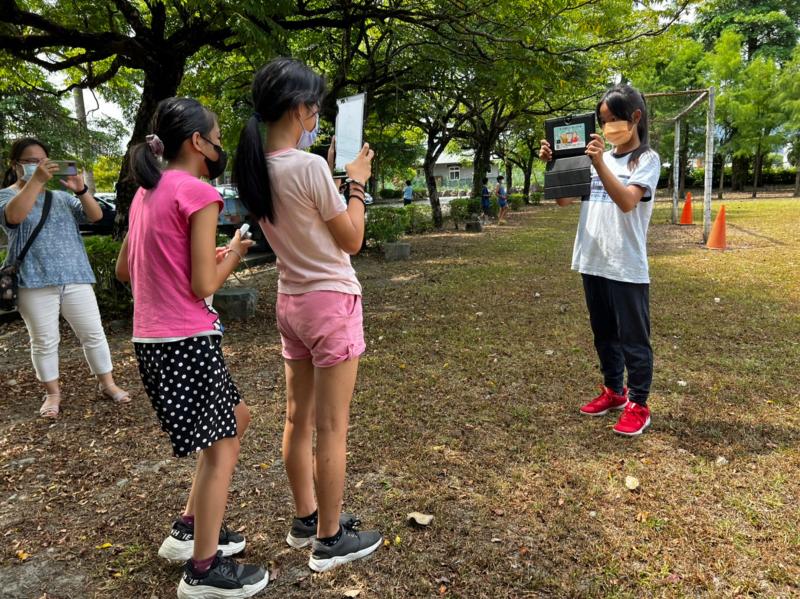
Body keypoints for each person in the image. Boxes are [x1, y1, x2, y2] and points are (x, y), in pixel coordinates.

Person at [234, 57, 382, 573]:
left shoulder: (256, 167)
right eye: (315, 108)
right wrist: (357, 183)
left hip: (291, 302)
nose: (317, 116)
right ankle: (330, 538)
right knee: (332, 426)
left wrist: (334, 172)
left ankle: (306, 519)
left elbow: (307, 219)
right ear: (301, 109)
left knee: (297, 419)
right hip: (331, 302)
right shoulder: (309, 167)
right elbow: (351, 239)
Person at [115, 97, 268, 598]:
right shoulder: (199, 193)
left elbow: (125, 270)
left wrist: (199, 257)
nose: (221, 146)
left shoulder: (147, 191)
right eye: (217, 137)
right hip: (186, 340)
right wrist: (235, 255)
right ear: (198, 142)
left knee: (236, 418)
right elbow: (204, 285)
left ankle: (189, 528)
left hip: (152, 340)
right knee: (223, 445)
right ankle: (203, 570)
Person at [539, 84, 660, 437]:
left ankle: (639, 404)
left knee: (633, 339)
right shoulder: (597, 158)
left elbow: (627, 201)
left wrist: (598, 163)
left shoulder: (646, 160)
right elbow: (564, 201)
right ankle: (614, 391)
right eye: (602, 121)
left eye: (612, 119)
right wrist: (554, 163)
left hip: (626, 264)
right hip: (593, 259)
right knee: (604, 334)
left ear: (635, 117)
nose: (608, 128)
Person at [0, 137, 129, 418]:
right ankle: (52, 394)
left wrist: (81, 189)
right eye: (31, 162)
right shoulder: (6, 196)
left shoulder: (60, 197)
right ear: (16, 164)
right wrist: (36, 181)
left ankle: (107, 383)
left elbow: (95, 215)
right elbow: (14, 217)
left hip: (75, 276)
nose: (38, 166)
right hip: (33, 279)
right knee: (44, 340)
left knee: (93, 333)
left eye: (42, 161)